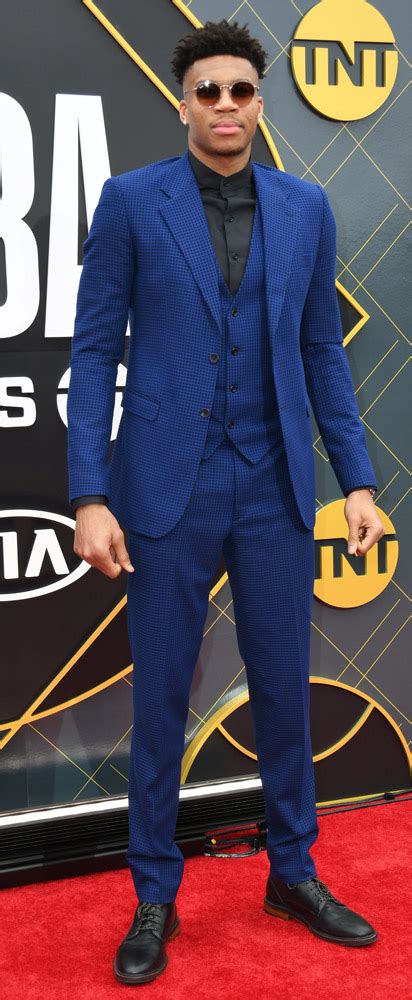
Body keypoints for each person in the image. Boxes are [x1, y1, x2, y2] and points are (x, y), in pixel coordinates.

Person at [67, 19, 384, 986]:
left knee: (284, 692)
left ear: (259, 101)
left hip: (276, 485)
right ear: (183, 103)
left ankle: (293, 872)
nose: (225, 107)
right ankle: (154, 894)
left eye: (240, 90)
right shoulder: (131, 202)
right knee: (162, 698)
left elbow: (322, 350)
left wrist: (358, 480)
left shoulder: (305, 206)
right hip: (166, 485)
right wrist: (89, 493)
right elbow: (94, 351)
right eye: (207, 91)